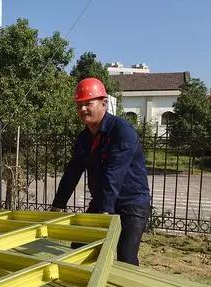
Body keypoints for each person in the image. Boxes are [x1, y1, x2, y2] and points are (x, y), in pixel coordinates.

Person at [50, 77, 151, 266]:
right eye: (79, 105)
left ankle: (123, 284)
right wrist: (57, 205)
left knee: (126, 258)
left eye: (88, 103)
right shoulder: (84, 137)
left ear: (104, 103)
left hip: (131, 204)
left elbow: (114, 173)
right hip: (102, 201)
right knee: (80, 247)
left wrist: (105, 210)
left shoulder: (122, 131)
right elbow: (73, 172)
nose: (82, 109)